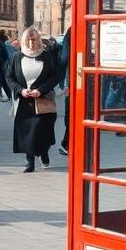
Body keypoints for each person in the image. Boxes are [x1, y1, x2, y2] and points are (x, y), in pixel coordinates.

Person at [6, 27, 60, 172]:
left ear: (38, 40)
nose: (31, 43)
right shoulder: (17, 57)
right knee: (27, 132)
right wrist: (21, 90)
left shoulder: (46, 56)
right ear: (23, 41)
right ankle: (30, 161)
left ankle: (43, 151)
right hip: (24, 101)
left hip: (43, 100)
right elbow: (9, 77)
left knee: (43, 130)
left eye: (34, 39)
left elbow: (55, 77)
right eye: (28, 40)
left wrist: (41, 90)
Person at [57, 27, 71, 155]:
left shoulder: (71, 31)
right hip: (95, 81)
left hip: (75, 79)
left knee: (70, 115)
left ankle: (67, 144)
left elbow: (64, 58)